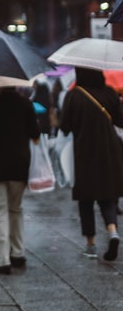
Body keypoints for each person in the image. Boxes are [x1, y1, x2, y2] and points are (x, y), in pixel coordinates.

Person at [59, 66, 123, 260]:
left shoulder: (74, 95)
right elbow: (120, 121)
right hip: (110, 149)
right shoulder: (109, 93)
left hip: (84, 151)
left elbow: (65, 127)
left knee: (86, 198)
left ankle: (91, 244)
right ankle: (112, 231)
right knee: (107, 194)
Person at [0, 85, 40, 273]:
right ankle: (17, 253)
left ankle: (2, 260)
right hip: (19, 164)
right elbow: (35, 133)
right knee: (16, 209)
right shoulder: (25, 103)